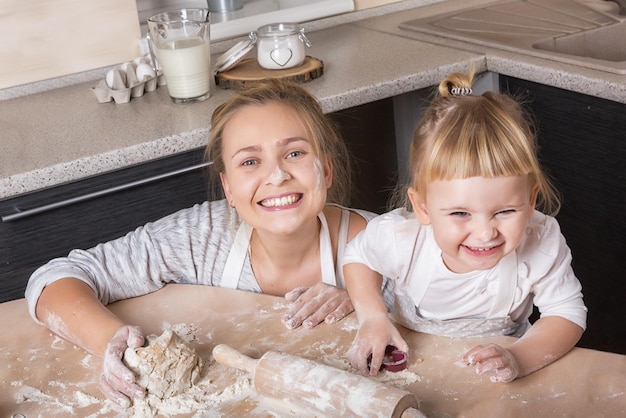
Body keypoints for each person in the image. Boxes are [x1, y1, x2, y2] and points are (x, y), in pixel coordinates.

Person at [25, 79, 382, 408]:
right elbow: (56, 278)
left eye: (294, 154)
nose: (277, 176)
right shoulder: (202, 238)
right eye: (250, 161)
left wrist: (365, 299)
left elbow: (433, 306)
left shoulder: (379, 244)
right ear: (228, 188)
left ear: (327, 170)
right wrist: (111, 340)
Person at [343, 70, 587, 383]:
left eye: (505, 211)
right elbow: (358, 257)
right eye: (460, 213)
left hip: (498, 375)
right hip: (413, 369)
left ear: (530, 200)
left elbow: (565, 313)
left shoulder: (541, 240)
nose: (485, 233)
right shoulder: (402, 237)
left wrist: (519, 358)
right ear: (423, 207)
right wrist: (373, 316)